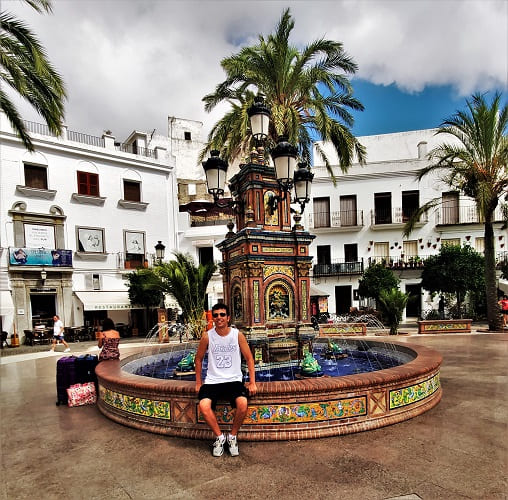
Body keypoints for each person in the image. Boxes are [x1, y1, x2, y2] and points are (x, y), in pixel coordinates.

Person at [195, 303, 257, 457]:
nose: (219, 318)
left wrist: (253, 382)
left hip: (234, 379)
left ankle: (233, 436)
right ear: (212, 318)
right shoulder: (207, 336)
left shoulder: (237, 335)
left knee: (242, 403)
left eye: (222, 315)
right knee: (203, 405)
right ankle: (219, 437)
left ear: (228, 318)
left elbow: (249, 358)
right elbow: (198, 359)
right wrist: (198, 382)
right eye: (215, 315)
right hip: (213, 380)